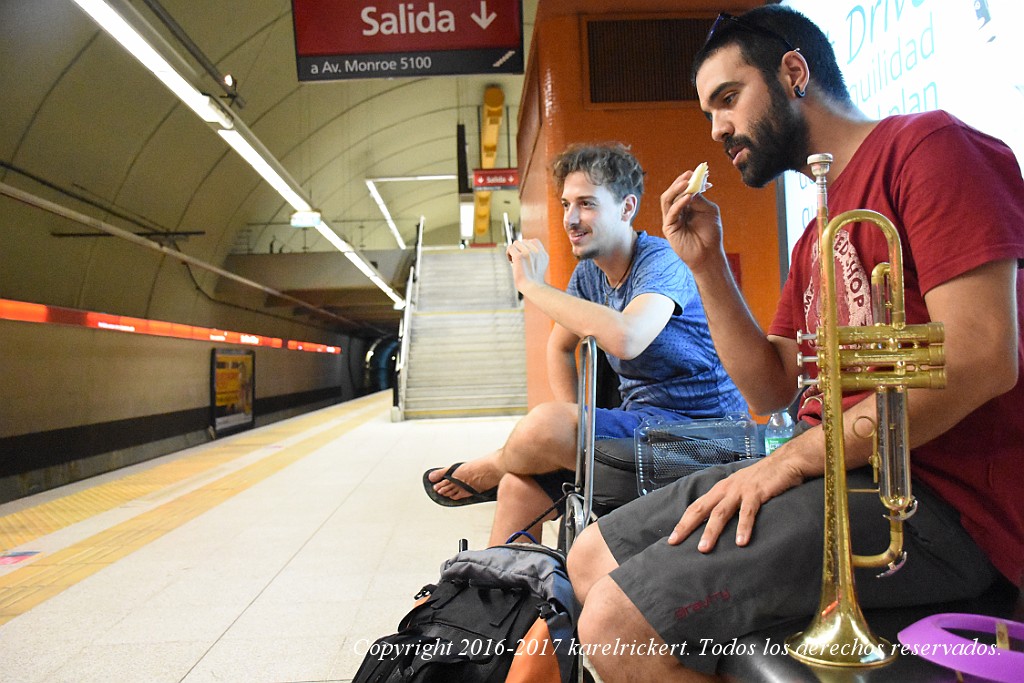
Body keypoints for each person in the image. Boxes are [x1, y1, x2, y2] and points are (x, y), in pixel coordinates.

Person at [567, 6, 1024, 682]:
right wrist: (707, 265)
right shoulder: (818, 227)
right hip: (841, 473)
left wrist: (800, 456)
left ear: (793, 72)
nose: (718, 128)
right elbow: (771, 387)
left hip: (940, 502)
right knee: (588, 556)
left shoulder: (928, 148)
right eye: (708, 114)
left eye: (728, 99)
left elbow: (985, 353)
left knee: (614, 619)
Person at [423, 142, 747, 546]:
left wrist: (531, 286)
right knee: (519, 488)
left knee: (541, 427)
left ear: (627, 208)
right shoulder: (589, 277)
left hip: (706, 438)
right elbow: (560, 348)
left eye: (587, 204)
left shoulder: (662, 260)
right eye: (565, 204)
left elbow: (628, 337)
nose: (571, 219)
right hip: (644, 427)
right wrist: (579, 414)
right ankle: (521, 602)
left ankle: (492, 465)